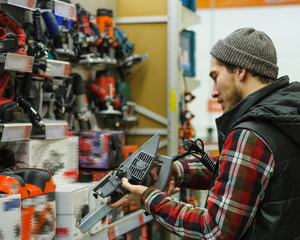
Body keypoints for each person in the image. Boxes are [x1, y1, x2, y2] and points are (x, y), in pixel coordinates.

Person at [109, 28, 300, 239]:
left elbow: (214, 229)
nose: (214, 92)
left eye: (216, 77)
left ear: (240, 71)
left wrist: (148, 199)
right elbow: (240, 171)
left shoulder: (250, 134)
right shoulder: (285, 118)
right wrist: (176, 171)